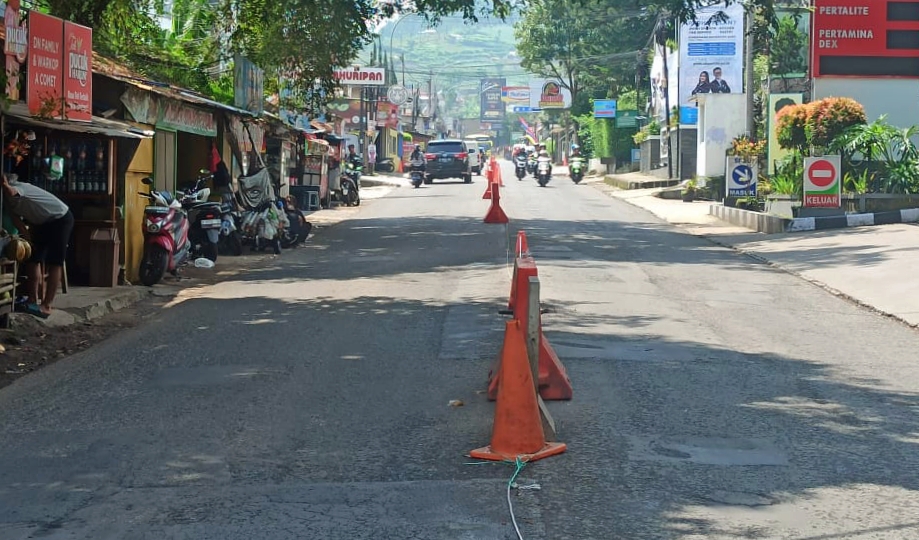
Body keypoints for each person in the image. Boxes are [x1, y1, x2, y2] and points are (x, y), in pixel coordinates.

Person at [2, 173, 73, 319]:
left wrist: (4, 184)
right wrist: (28, 239)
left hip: (60, 218)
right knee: (33, 258)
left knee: (55, 262)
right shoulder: (7, 200)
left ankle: (46, 305)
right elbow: (17, 222)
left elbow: (12, 191)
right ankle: (32, 299)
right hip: (40, 222)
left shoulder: (19, 188)